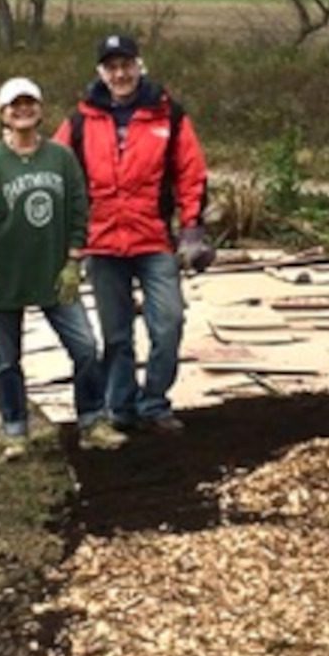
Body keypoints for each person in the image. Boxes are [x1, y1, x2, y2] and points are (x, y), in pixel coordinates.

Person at [54, 33, 211, 436]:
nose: (120, 74)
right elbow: (53, 174)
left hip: (153, 240)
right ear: (100, 73)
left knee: (169, 323)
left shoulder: (168, 115)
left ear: (140, 66)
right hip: (102, 244)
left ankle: (154, 401)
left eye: (127, 65)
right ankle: (120, 407)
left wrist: (192, 226)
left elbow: (191, 173)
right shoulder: (79, 122)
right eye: (112, 67)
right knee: (116, 336)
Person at [0, 76, 122, 457]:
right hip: (7, 275)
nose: (23, 111)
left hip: (54, 273)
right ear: (2, 114)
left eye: (29, 103)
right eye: (14, 105)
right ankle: (15, 430)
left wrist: (73, 259)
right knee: (5, 360)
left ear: (40, 108)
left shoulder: (60, 157)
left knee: (85, 348)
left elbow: (79, 210)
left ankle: (92, 421)